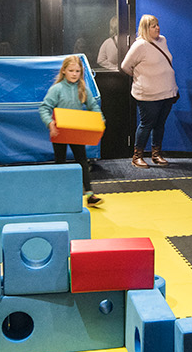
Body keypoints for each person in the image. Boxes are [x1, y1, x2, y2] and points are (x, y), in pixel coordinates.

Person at [40, 54, 105, 207]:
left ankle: (89, 194)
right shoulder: (57, 89)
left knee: (82, 161)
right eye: (71, 71)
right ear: (64, 71)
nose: (74, 74)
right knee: (60, 162)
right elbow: (44, 107)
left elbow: (93, 106)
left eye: (77, 71)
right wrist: (50, 123)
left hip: (76, 130)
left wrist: (99, 118)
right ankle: (60, 193)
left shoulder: (83, 88)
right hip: (60, 131)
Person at [118, 14, 178, 168]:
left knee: (160, 124)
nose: (157, 28)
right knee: (146, 124)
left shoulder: (162, 40)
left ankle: (156, 154)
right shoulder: (140, 45)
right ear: (145, 28)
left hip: (167, 92)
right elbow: (125, 66)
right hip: (148, 95)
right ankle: (137, 156)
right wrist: (140, 77)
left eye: (157, 24)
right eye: (153, 26)